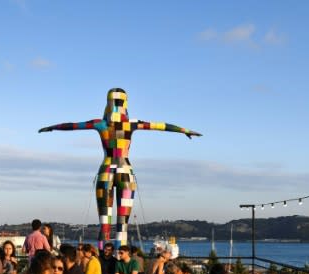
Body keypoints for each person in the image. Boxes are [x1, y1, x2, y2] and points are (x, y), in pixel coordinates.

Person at [38, 88, 201, 246]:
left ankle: (103, 258)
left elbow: (72, 125)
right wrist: (184, 130)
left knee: (105, 224)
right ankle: (117, 257)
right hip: (125, 173)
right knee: (122, 226)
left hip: (106, 171)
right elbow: (161, 126)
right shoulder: (131, 124)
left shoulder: (100, 124)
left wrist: (52, 127)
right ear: (125, 103)